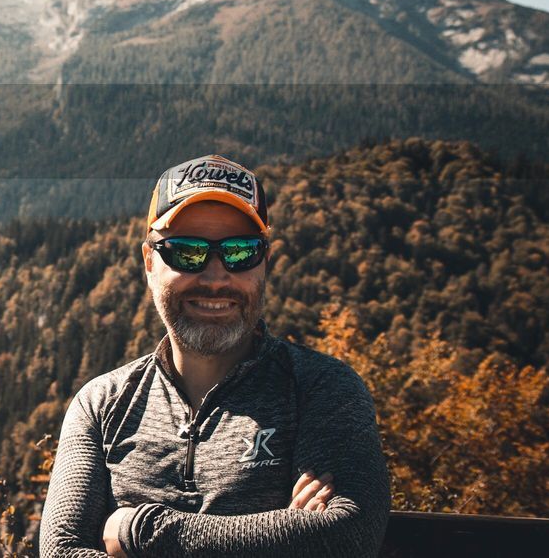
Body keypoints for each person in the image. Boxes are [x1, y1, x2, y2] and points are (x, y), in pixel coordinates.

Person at [39, 154, 390, 557]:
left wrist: (137, 529)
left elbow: (345, 536)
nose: (216, 276)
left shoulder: (322, 389)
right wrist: (283, 534)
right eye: (187, 252)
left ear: (265, 264)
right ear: (149, 262)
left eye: (241, 252)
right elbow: (61, 551)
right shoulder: (101, 405)